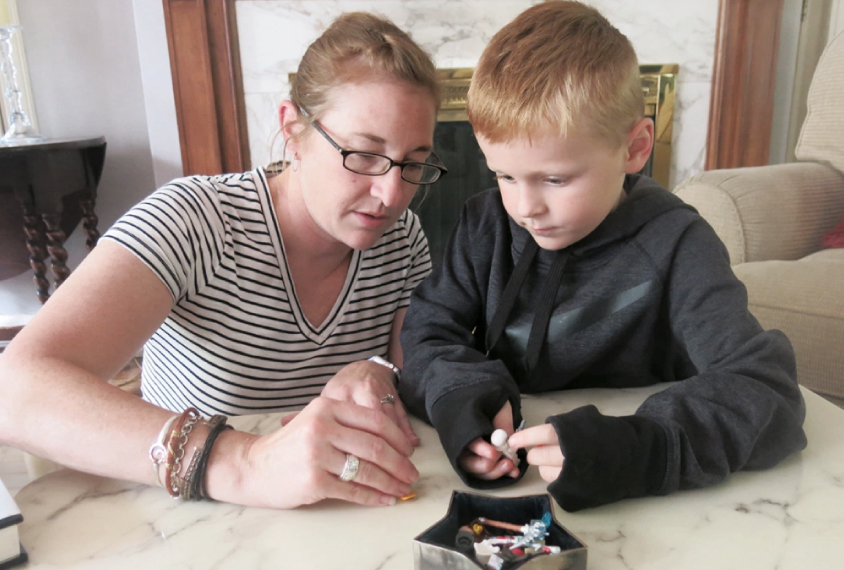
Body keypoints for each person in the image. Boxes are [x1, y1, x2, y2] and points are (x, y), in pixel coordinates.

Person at [0, 12, 447, 509]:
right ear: (292, 129)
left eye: (413, 163)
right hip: (189, 522)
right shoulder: (193, 220)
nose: (391, 193)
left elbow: (419, 369)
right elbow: (16, 391)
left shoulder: (401, 237)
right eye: (363, 154)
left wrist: (378, 367)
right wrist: (244, 463)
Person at [398, 0, 807, 512]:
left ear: (635, 148)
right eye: (503, 175)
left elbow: (768, 392)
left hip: (653, 505)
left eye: (555, 178)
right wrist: (467, 404)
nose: (525, 208)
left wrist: (633, 448)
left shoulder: (678, 242)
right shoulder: (485, 223)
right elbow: (428, 331)